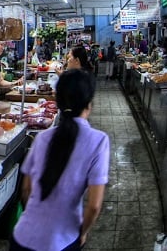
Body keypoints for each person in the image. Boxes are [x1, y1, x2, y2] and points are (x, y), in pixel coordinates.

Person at [11, 69, 109, 250]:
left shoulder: (42, 138)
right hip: (61, 241)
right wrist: (83, 232)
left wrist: (36, 220)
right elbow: (94, 207)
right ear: (89, 104)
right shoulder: (99, 140)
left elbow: (25, 190)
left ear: (58, 102)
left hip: (22, 238)